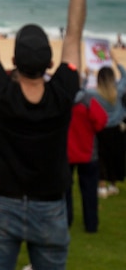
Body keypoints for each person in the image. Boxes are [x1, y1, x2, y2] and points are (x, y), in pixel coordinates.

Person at [0, 0, 89, 270]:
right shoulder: (64, 90)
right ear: (51, 65)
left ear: (12, 61)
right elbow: (73, 36)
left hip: (1, 203)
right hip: (50, 206)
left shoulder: (0, 90)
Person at [66, 88, 107, 233]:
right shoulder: (88, 100)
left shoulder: (58, 99)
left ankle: (66, 220)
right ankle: (91, 223)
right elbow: (101, 120)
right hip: (87, 151)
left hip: (66, 152)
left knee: (65, 189)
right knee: (89, 190)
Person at [87, 54, 126, 198]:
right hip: (116, 129)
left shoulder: (94, 93)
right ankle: (113, 185)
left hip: (101, 128)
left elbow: (81, 92)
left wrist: (87, 75)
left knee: (101, 157)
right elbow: (125, 76)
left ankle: (101, 186)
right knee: (115, 157)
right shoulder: (119, 90)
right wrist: (116, 61)